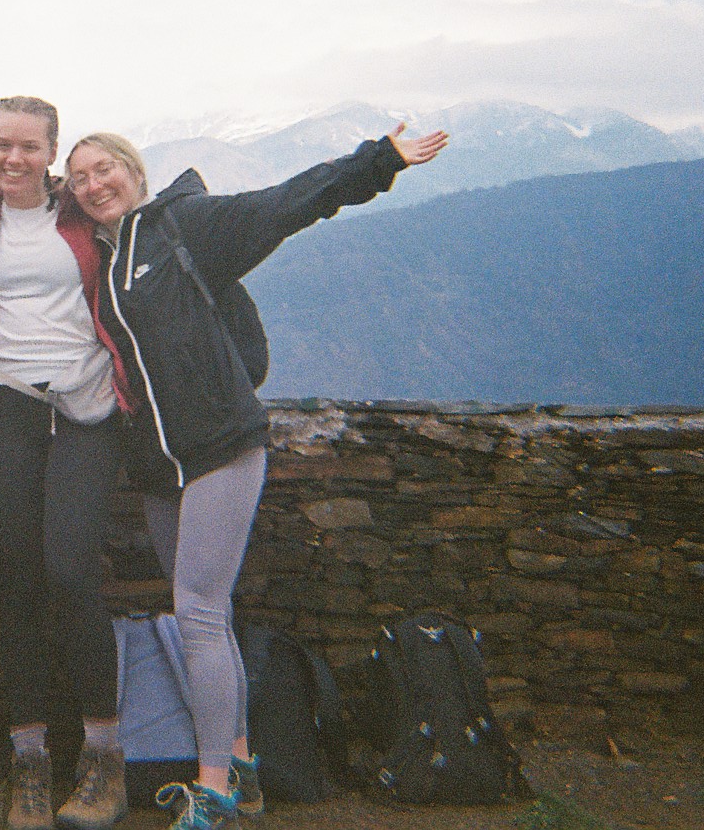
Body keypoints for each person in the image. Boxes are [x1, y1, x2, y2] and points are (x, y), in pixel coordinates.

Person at [63, 125, 449, 830]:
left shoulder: (184, 225)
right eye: (79, 177)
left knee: (200, 613)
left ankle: (210, 795)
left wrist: (377, 161)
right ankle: (241, 769)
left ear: (133, 171)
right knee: (211, 617)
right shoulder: (106, 257)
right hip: (158, 463)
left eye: (104, 168)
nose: (94, 184)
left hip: (219, 446)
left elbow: (286, 204)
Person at [0, 98, 133, 830]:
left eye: (29, 146)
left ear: (51, 151)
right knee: (16, 578)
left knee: (69, 572)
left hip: (86, 408)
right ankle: (29, 763)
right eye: (2, 145)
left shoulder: (84, 215)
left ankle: (103, 761)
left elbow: (163, 241)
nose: (13, 159)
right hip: (8, 409)